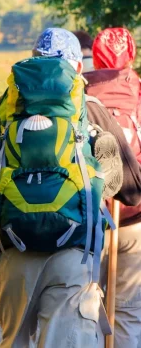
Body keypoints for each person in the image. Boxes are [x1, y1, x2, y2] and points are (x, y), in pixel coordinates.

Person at [0, 28, 141, 348]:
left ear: (32, 60)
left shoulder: (3, 110)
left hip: (12, 248)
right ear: (79, 68)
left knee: (14, 340)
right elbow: (125, 186)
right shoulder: (91, 107)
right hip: (72, 252)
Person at [85, 27, 141, 348]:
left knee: (84, 308)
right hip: (135, 219)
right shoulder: (139, 93)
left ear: (94, 56)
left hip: (90, 220)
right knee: (129, 311)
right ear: (130, 57)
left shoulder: (79, 96)